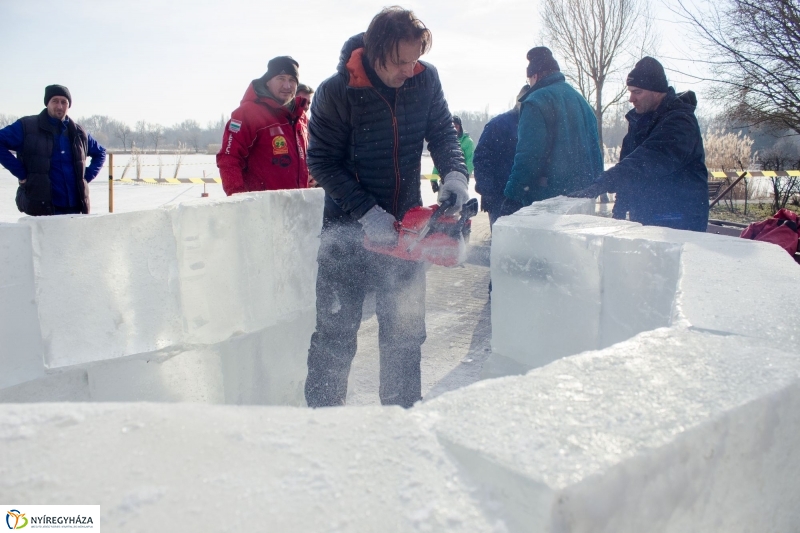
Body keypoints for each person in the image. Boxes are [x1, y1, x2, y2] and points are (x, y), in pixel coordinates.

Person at [304, 7, 469, 408]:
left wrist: (455, 175)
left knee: (405, 335)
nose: (408, 70)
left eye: (415, 60)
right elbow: (321, 161)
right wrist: (367, 213)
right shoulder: (337, 92)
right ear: (375, 51)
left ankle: (401, 418)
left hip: (407, 235)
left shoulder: (424, 79)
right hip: (347, 232)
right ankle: (321, 422)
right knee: (335, 336)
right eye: (399, 62)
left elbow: (443, 133)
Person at [569, 57, 709, 231]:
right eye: (630, 92)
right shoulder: (640, 122)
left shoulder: (680, 122)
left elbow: (647, 161)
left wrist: (604, 182)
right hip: (649, 215)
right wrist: (620, 209)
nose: (631, 99)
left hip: (678, 217)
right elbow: (629, 165)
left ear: (656, 91)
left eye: (637, 92)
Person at [501, 47, 603, 214]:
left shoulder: (536, 102)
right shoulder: (582, 102)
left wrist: (513, 194)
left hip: (549, 200)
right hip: (583, 197)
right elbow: (596, 153)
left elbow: (529, 156)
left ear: (535, 76)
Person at [0, 85, 106, 216]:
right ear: (47, 103)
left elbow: (100, 152)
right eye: (55, 101)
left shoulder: (78, 133)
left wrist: (85, 177)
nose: (60, 106)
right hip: (41, 207)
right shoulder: (27, 127)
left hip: (75, 208)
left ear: (69, 105)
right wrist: (21, 173)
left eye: (64, 102)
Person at [216, 56, 309, 195]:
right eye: (281, 78)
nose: (287, 86)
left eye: (292, 80)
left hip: (297, 203)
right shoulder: (247, 113)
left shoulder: (300, 116)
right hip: (262, 204)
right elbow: (229, 158)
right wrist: (239, 199)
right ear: (267, 82)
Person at [473, 85, 530, 226]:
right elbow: (481, 158)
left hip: (526, 197)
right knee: (502, 237)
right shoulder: (498, 125)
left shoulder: (535, 127)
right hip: (500, 197)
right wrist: (487, 192)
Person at [431, 114, 475, 179]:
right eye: (452, 127)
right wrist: (433, 178)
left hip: (460, 177)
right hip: (445, 177)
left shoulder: (468, 142)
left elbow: (470, 160)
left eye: (456, 126)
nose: (454, 129)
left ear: (460, 127)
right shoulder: (445, 141)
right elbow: (439, 160)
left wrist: (466, 176)